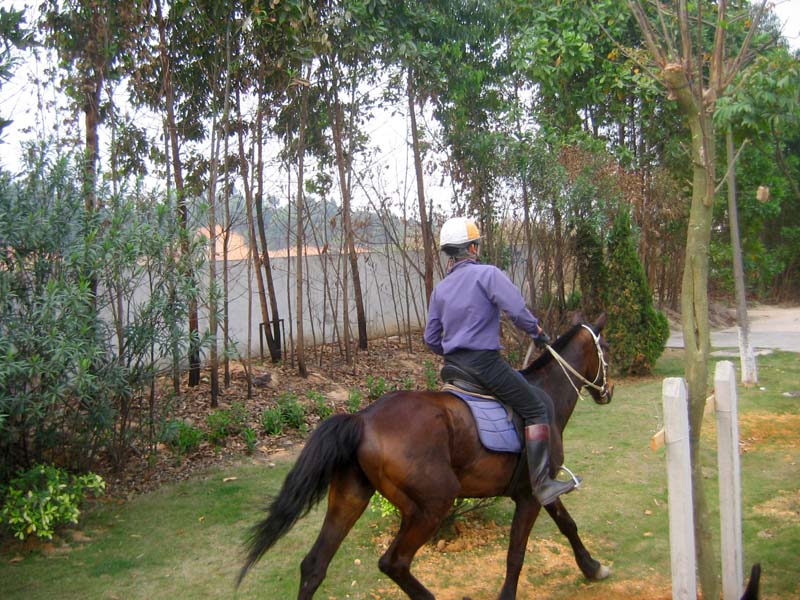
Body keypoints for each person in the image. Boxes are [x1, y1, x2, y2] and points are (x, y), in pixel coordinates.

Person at [423, 216, 579, 506]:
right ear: (471, 248)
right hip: (485, 367)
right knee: (537, 406)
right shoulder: (488, 275)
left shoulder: (440, 289)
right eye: (476, 245)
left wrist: (454, 351)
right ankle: (542, 483)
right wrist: (537, 331)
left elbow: (431, 338)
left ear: (449, 253)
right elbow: (517, 311)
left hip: (454, 370)